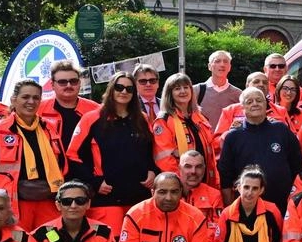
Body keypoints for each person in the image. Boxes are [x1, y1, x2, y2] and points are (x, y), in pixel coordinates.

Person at [67, 71, 159, 230]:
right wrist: (94, 182)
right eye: (119, 87)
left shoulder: (142, 118)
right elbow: (73, 155)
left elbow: (151, 149)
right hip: (107, 199)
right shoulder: (92, 118)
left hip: (139, 196)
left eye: (129, 89)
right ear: (111, 89)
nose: (124, 92)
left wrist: (152, 170)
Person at [0, 79, 68, 232]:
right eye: (25, 97)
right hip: (14, 203)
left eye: (36, 97)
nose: (31, 101)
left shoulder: (49, 128)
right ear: (14, 99)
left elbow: (63, 164)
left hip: (48, 201)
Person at [217, 88, 302, 217]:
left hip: (281, 205)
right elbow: (225, 176)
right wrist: (231, 209)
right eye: (249, 101)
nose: (255, 104)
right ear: (242, 107)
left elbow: (297, 165)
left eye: (259, 100)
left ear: (266, 104)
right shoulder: (233, 137)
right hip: (246, 208)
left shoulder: (281, 130)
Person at [152, 72, 220, 189]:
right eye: (177, 88)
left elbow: (211, 148)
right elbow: (164, 159)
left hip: (206, 181)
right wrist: (180, 183)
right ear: (170, 94)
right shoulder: (164, 120)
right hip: (182, 185)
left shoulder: (199, 116)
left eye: (186, 87)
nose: (183, 91)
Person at [39, 60, 100, 145]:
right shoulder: (38, 110)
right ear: (52, 85)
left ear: (79, 83)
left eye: (73, 81)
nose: (68, 85)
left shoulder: (97, 110)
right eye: (62, 82)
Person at [213, 72, 288, 139]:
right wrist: (231, 133)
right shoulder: (229, 111)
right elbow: (216, 142)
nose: (261, 84)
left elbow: (290, 137)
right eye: (256, 82)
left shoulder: (281, 111)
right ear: (247, 85)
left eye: (265, 82)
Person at [194, 50, 242, 129]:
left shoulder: (239, 94)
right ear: (209, 66)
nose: (222, 64)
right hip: (203, 140)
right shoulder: (195, 91)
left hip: (227, 140)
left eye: (225, 61)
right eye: (217, 61)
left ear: (229, 67)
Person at [179, 150, 223, 234]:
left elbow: (218, 228)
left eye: (198, 167)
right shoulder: (169, 193)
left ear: (204, 169)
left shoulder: (214, 195)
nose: (193, 171)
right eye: (188, 166)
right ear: (180, 168)